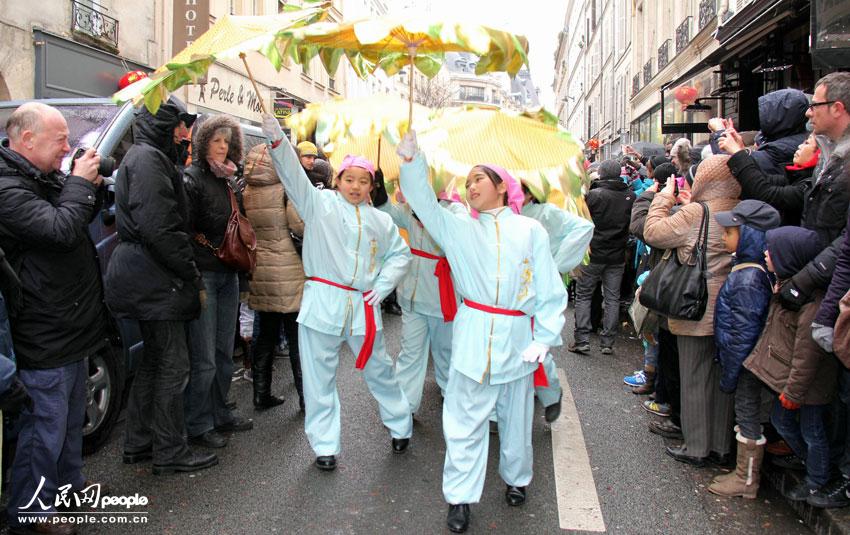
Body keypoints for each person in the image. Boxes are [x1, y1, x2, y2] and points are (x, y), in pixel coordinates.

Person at [397, 132, 567, 534]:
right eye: (467, 181)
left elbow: (548, 289)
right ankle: (459, 497)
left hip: (517, 338)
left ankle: (516, 478)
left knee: (515, 416)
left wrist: (543, 338)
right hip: (472, 333)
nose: (470, 186)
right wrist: (411, 162)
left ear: (501, 186)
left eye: (478, 179)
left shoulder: (530, 231)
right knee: (463, 420)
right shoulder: (457, 227)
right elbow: (424, 203)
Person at [261, 114, 413, 472]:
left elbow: (399, 255)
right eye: (350, 179)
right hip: (322, 305)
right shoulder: (319, 204)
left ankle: (400, 424)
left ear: (371, 186)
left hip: (363, 307)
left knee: (381, 370)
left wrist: (382, 285)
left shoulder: (381, 221)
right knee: (318, 378)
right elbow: (293, 177)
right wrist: (278, 142)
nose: (356, 186)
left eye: (364, 181)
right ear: (338, 180)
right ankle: (325, 445)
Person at [0, 102, 105, 533]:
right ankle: (31, 512)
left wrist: (85, 185)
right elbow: (61, 230)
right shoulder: (7, 188)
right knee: (44, 425)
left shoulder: (41, 176)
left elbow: (76, 219)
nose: (68, 147)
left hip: (70, 321)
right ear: (27, 140)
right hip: (43, 328)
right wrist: (79, 185)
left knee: (69, 420)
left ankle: (68, 487)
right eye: (60, 139)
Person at [105, 98, 219, 476]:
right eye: (183, 124)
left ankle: (140, 442)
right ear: (166, 124)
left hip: (144, 274)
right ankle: (170, 449)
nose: (187, 133)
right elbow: (162, 229)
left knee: (155, 362)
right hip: (154, 278)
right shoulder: (149, 160)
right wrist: (190, 273)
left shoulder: (144, 157)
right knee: (173, 364)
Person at [644, 154, 741, 467]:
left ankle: (697, 446)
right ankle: (722, 446)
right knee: (722, 378)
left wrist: (662, 198)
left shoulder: (697, 212)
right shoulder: (739, 207)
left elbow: (653, 232)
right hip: (732, 309)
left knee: (695, 376)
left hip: (696, 307)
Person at [742, 227, 838, 505]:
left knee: (811, 430)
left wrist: (793, 393)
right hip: (797, 384)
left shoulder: (811, 305)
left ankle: (818, 478)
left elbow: (807, 358)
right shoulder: (789, 287)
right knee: (786, 422)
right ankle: (810, 462)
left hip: (808, 388)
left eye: (772, 250)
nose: (765, 253)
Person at [183, 114, 254, 448]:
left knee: (226, 350)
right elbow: (184, 230)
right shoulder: (192, 179)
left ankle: (220, 411)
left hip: (228, 272)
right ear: (203, 142)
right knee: (205, 356)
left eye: (227, 141)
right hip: (205, 273)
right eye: (216, 140)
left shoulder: (229, 181)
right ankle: (198, 423)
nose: (223, 147)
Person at [707, 200, 780, 499]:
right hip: (745, 361)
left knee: (747, 414)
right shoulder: (749, 269)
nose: (724, 237)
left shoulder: (749, 277)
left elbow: (744, 330)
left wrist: (732, 368)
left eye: (730, 232)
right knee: (745, 412)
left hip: (747, 363)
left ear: (750, 235)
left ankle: (746, 480)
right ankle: (743, 475)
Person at [373, 183, 463, 414]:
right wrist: (380, 195)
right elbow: (389, 215)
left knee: (445, 350)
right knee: (410, 352)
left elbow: (457, 231)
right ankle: (404, 410)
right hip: (411, 295)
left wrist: (428, 211)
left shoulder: (454, 209)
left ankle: (449, 393)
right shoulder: (409, 208)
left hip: (442, 296)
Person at [520, 182, 594, 421]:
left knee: (533, 341)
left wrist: (555, 264)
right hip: (509, 292)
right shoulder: (500, 216)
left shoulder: (547, 213)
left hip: (538, 291)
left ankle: (550, 392)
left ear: (530, 193)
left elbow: (583, 228)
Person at [242, 143, 306, 411]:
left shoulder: (245, 191)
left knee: (264, 335)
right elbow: (299, 226)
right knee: (297, 339)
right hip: (289, 270)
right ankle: (306, 398)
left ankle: (260, 394)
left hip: (259, 269)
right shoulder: (286, 189)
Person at [570, 159, 634, 355]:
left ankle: (582, 339)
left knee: (584, 295)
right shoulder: (630, 196)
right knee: (612, 298)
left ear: (602, 174)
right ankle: (607, 342)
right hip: (616, 255)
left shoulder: (594, 196)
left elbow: (581, 221)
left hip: (593, 253)